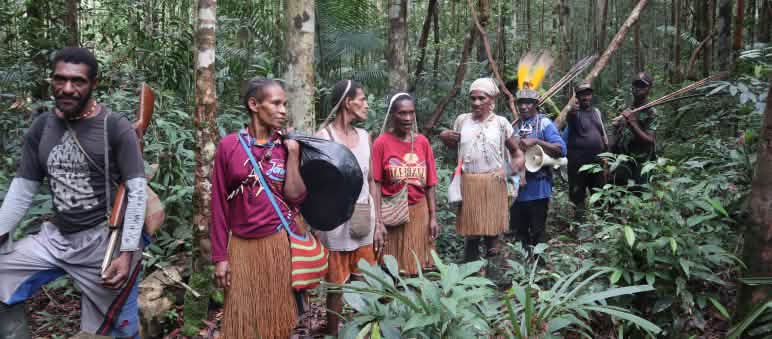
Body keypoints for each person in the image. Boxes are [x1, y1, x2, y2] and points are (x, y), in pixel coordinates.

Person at [0, 48, 147, 338]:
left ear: (93, 83)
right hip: (56, 239)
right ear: (51, 80)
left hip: (103, 243)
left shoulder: (113, 126)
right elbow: (22, 190)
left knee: (118, 328)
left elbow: (137, 191)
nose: (67, 88)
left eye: (77, 81)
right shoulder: (42, 126)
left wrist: (127, 251)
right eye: (60, 79)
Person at [210, 78, 307, 338]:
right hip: (241, 246)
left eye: (285, 104)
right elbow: (219, 203)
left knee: (278, 319)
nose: (283, 110)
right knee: (243, 318)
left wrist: (294, 155)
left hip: (278, 244)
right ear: (254, 104)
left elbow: (297, 198)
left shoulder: (287, 146)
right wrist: (220, 258)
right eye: (276, 103)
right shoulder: (229, 146)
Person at [439, 78, 525, 264]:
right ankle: (470, 281)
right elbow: (453, 148)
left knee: (493, 235)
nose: (476, 102)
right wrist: (444, 137)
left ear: (492, 100)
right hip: (469, 184)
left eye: (482, 98)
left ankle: (494, 279)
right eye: (473, 98)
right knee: (471, 235)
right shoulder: (462, 121)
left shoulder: (501, 124)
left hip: (494, 184)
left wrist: (508, 171)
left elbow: (518, 154)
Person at [315, 80, 376, 336]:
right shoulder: (323, 137)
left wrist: (379, 222)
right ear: (347, 103)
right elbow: (316, 184)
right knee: (336, 285)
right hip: (335, 220)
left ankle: (364, 330)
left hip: (363, 215)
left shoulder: (364, 137)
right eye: (361, 99)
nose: (365, 104)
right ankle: (333, 332)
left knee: (365, 279)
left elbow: (372, 179)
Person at [372, 93, 439, 276]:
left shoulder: (422, 142)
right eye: (402, 113)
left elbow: (430, 183)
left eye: (411, 113)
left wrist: (433, 216)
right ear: (392, 114)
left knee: (417, 267)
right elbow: (376, 184)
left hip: (419, 212)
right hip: (392, 213)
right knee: (391, 268)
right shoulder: (381, 143)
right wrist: (378, 222)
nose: (408, 118)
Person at [510, 88, 566, 248]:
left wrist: (537, 141)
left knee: (537, 231)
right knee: (519, 232)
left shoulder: (544, 123)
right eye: (520, 102)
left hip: (538, 188)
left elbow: (561, 150)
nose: (523, 106)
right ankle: (523, 267)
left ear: (536, 104)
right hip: (517, 189)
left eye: (528, 102)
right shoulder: (513, 126)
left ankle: (539, 266)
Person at [564, 82, 608, 220]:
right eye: (582, 94)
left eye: (587, 94)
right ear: (577, 97)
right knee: (578, 197)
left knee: (599, 194)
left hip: (597, 163)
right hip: (578, 165)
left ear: (591, 95)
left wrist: (606, 153)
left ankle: (601, 228)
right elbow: (569, 117)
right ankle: (581, 228)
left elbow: (603, 134)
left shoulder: (596, 112)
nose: (585, 97)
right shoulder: (574, 114)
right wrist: (571, 111)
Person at [610, 72, 657, 186]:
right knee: (619, 194)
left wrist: (632, 123)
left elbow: (650, 140)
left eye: (642, 85)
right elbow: (616, 135)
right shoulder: (624, 108)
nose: (638, 88)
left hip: (641, 162)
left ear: (649, 88)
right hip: (623, 160)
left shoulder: (651, 112)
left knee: (639, 195)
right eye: (636, 85)